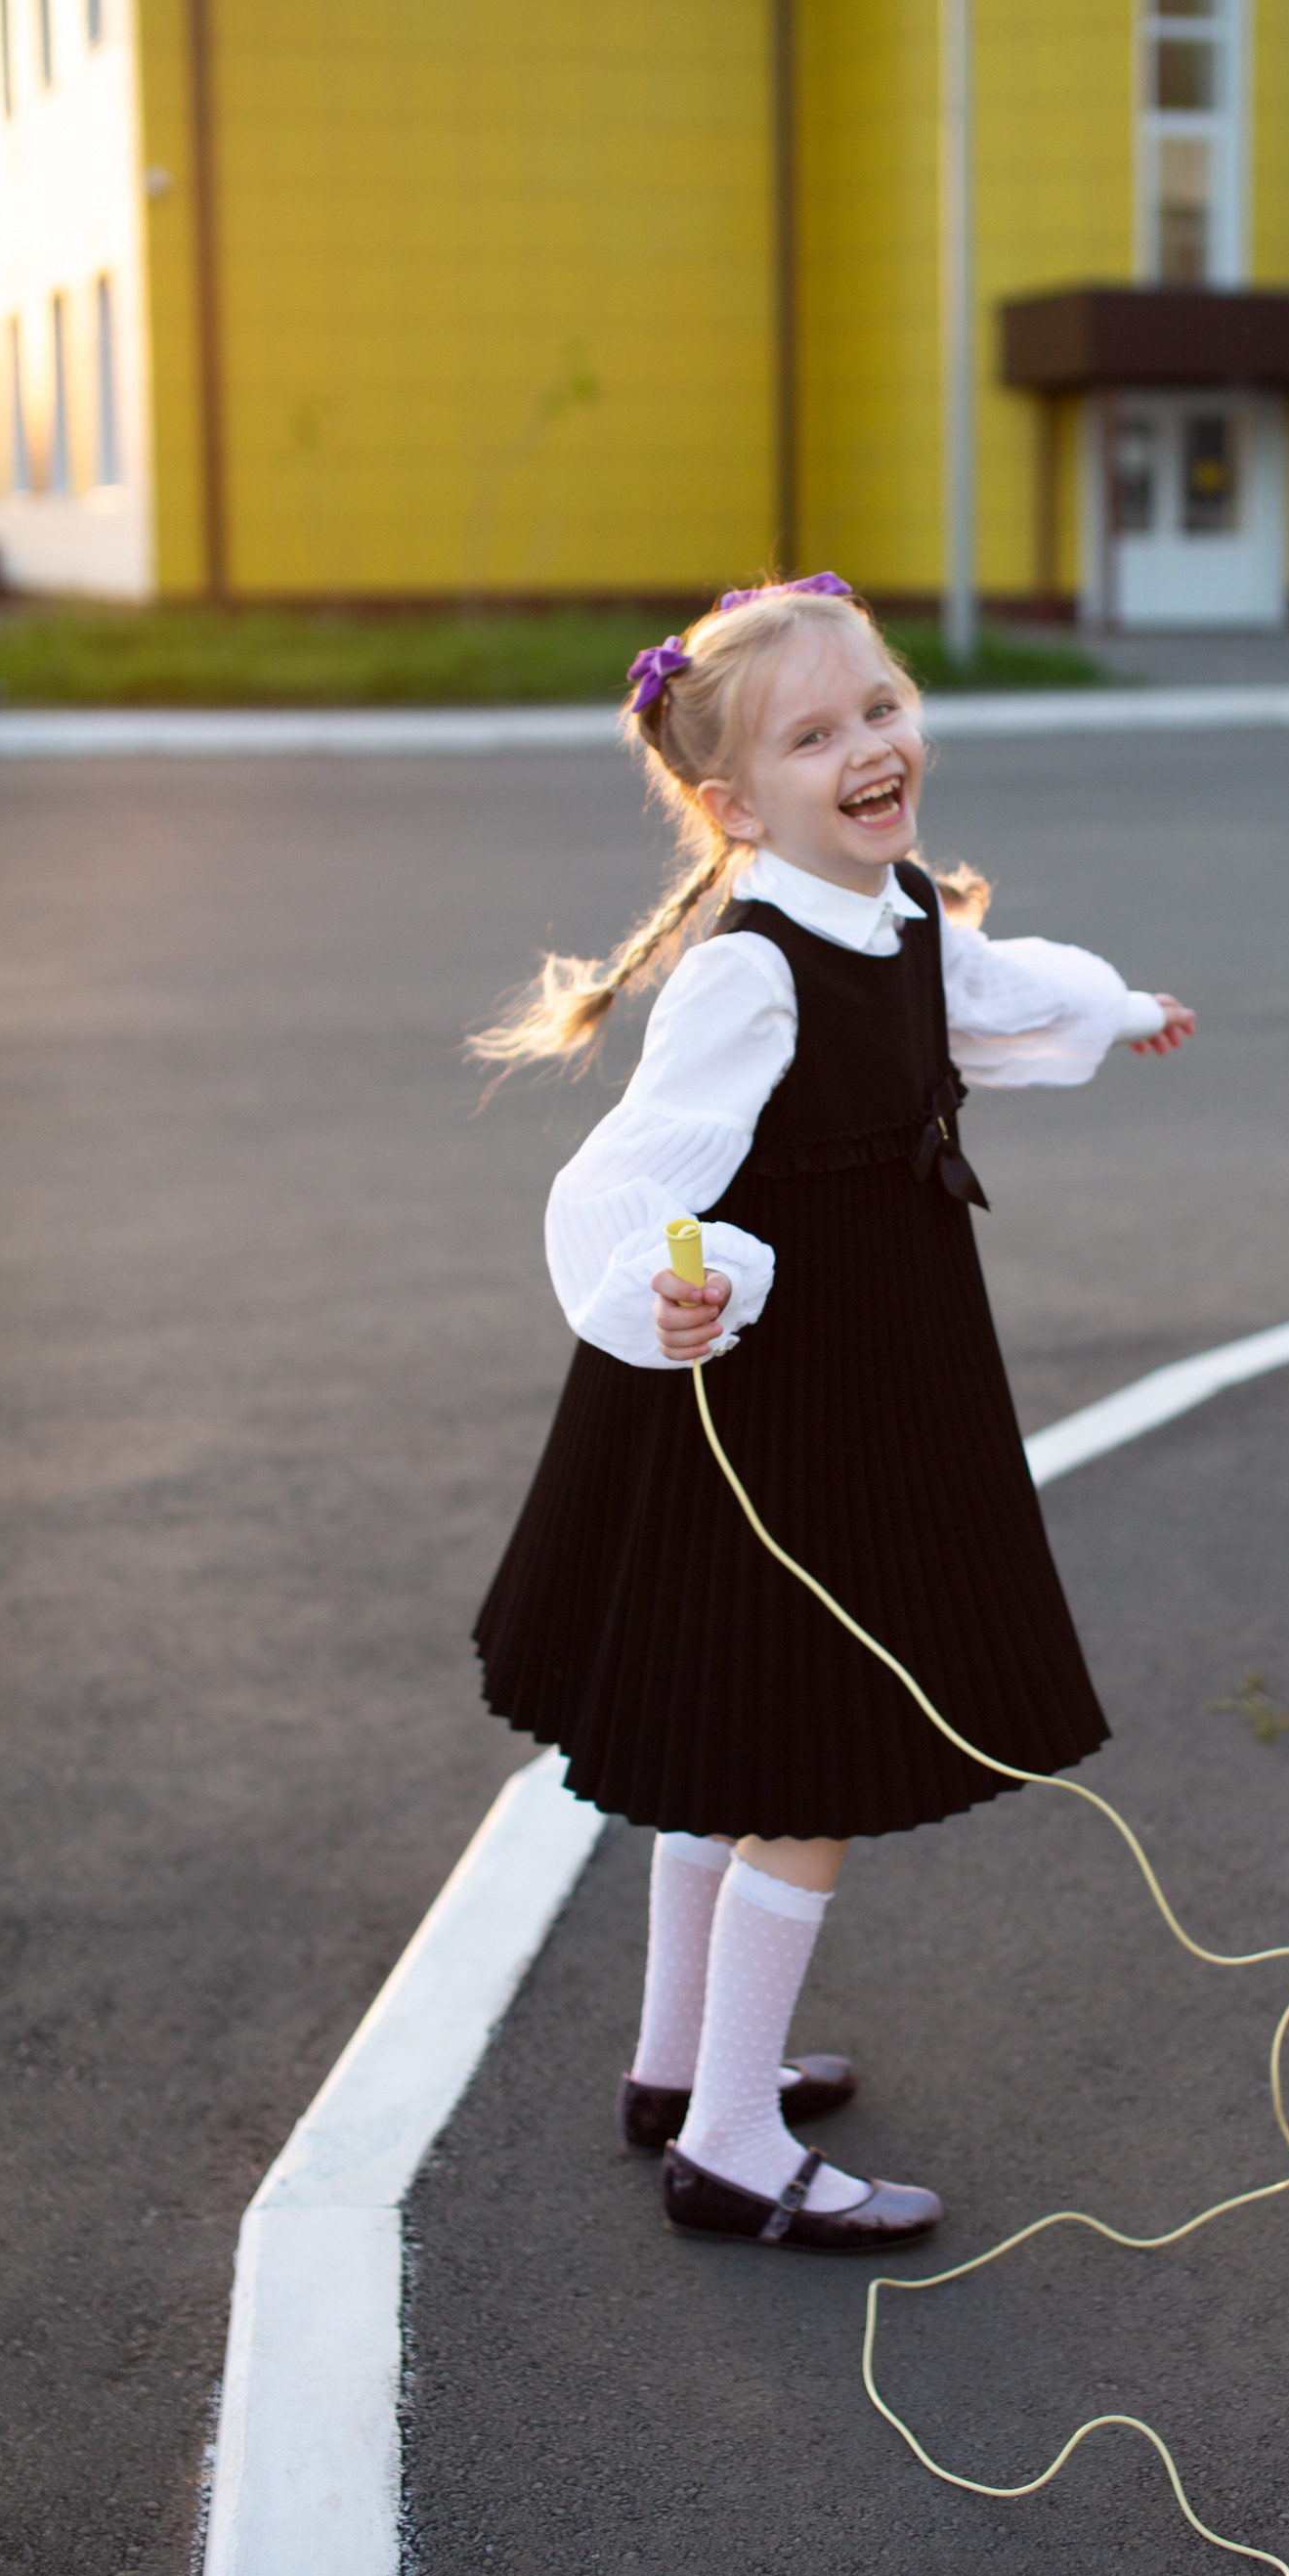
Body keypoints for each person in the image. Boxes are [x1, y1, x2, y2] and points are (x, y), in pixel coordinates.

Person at [470, 576, 1194, 2254]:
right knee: (807, 1766)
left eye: (882, 708)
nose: (871, 746)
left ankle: (679, 2067)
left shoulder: (900, 911)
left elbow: (983, 996)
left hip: (880, 1367)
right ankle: (729, 2146)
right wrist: (683, 1278)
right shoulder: (750, 970)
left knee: (745, 1755)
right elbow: (629, 1178)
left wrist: (1119, 1012)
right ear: (732, 804)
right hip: (795, 1405)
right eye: (816, 735)